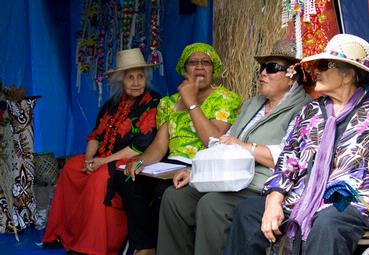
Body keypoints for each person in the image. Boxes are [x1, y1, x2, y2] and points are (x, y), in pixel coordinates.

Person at [224, 33, 369, 255]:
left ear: (348, 75)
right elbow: (289, 159)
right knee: (248, 211)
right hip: (303, 195)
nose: (316, 71)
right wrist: (274, 200)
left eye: (325, 65)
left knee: (328, 221)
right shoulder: (311, 111)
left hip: (351, 197)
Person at [156, 39, 312, 255]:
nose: (262, 74)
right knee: (175, 198)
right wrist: (195, 171)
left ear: (292, 75)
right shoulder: (253, 104)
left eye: (272, 68)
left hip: (261, 185)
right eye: (262, 68)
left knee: (212, 205)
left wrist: (245, 146)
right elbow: (224, 141)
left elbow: (289, 158)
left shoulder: (303, 109)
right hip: (230, 177)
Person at [115, 43, 242, 255]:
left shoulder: (226, 98)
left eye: (206, 62)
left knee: (163, 192)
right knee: (128, 179)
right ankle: (146, 246)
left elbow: (214, 139)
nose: (200, 67)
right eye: (193, 62)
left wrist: (192, 103)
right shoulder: (169, 103)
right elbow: (159, 146)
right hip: (169, 165)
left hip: (200, 166)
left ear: (214, 69)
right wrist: (140, 161)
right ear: (184, 69)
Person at [42, 48, 161, 255]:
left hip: (132, 158)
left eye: (140, 76)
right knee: (71, 168)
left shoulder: (153, 103)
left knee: (99, 178)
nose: (136, 82)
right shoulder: (112, 104)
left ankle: (90, 245)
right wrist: (89, 159)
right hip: (103, 158)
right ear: (120, 81)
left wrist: (102, 162)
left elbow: (139, 147)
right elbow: (95, 137)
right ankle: (63, 232)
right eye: (130, 77)